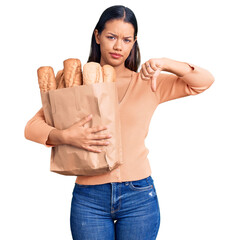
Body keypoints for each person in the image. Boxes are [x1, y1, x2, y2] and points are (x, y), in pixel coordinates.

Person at [24, 5, 215, 240]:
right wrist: (66, 136)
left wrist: (165, 63)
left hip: (139, 196)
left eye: (127, 40)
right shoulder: (78, 84)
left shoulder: (148, 83)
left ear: (134, 42)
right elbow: (32, 127)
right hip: (89, 198)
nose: (118, 46)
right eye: (111, 37)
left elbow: (203, 81)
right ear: (97, 36)